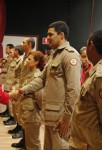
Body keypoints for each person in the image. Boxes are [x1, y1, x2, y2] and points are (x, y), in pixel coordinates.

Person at [16, 21, 81, 150]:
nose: (48, 37)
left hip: (61, 119)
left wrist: (67, 119)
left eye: (51, 34)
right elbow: (41, 79)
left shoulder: (70, 55)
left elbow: (74, 90)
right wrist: (23, 90)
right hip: (50, 117)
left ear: (61, 35)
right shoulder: (54, 54)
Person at [69, 30, 102, 149]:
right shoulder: (94, 72)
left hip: (90, 145)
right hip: (83, 142)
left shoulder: (100, 76)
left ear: (91, 46)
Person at [14, 51, 44, 150]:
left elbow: (40, 97)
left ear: (36, 62)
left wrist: (37, 110)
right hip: (26, 112)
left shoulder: (37, 76)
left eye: (29, 59)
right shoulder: (29, 74)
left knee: (33, 144)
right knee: (29, 142)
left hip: (32, 113)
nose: (27, 61)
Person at [11, 37, 36, 149]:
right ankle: (24, 140)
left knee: (27, 118)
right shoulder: (25, 56)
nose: (21, 44)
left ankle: (27, 142)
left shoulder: (33, 56)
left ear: (30, 44)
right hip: (22, 87)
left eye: (24, 42)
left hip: (28, 89)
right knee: (21, 116)